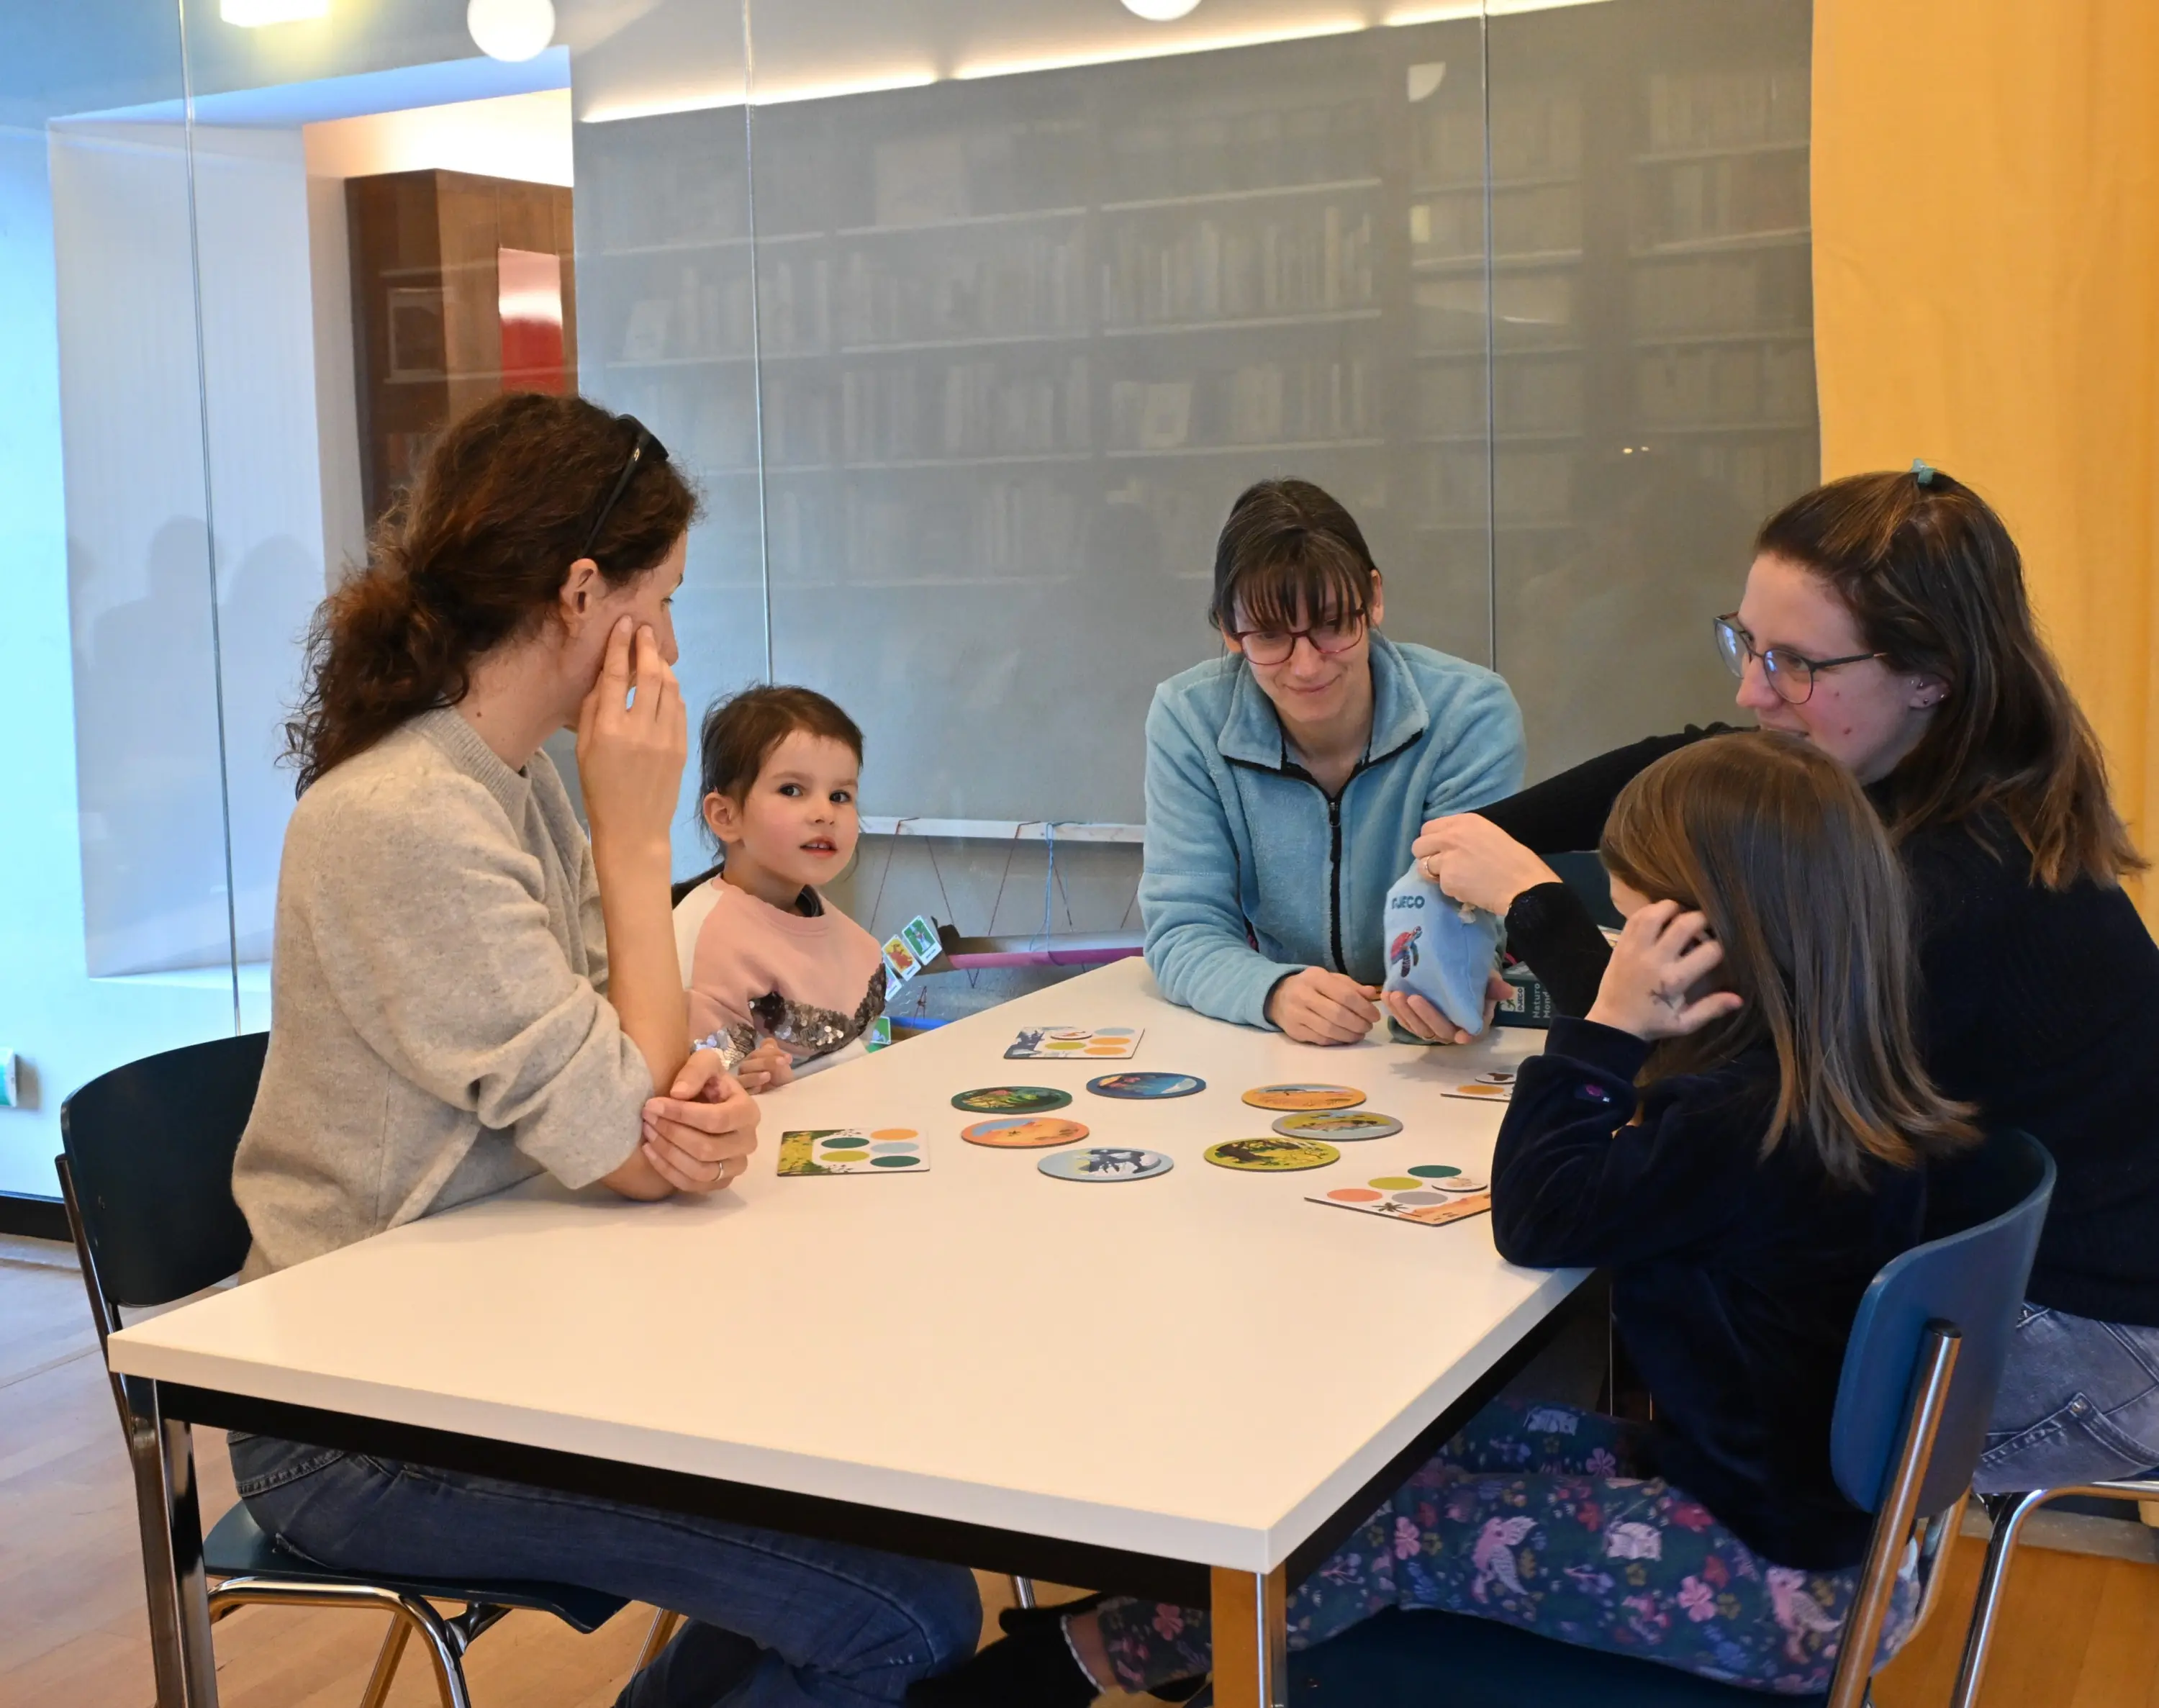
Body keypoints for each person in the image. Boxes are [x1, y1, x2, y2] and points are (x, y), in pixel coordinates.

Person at [918, 733, 1971, 1704]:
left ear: (1708, 937)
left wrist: (1600, 1026)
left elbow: (1538, 1213)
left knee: (1386, 1525)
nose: (1615, 935)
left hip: (1772, 1580)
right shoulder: (1826, 1074)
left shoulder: (1742, 1122)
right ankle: (1148, 1631)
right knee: (1397, 1456)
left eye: (1633, 915)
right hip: (1813, 1524)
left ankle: (1087, 1657)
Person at [227, 394, 979, 1708]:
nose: (675, 644)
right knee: (904, 1610)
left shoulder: (514, 782)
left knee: (895, 1547)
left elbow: (639, 1085)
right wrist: (638, 847)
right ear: (583, 592)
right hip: (363, 1424)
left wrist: (701, 1094)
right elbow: (629, 1143)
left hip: (511, 1332)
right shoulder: (409, 816)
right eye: (665, 599)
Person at [1416, 467, 2159, 1496]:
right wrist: (1500, 830)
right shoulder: (1908, 775)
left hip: (2088, 1339)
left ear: (1930, 675)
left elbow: (1696, 1056)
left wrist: (1536, 905)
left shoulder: (1950, 886)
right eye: (1747, 643)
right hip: (1997, 1278)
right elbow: (1700, 756)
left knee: (1637, 1311)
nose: (1752, 692)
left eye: (1797, 664)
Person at [1139, 479, 1525, 1047]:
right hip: (1279, 1043)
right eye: (1269, 636)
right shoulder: (1189, 718)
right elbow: (1183, 930)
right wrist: (1273, 991)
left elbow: (1470, 906)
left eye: (1331, 626)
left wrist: (1454, 983)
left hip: (1424, 1047)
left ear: (1372, 599)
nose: (1306, 666)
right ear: (1227, 629)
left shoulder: (1468, 713)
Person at [674, 685, 887, 1087]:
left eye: (840, 796)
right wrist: (743, 1079)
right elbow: (691, 1090)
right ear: (725, 815)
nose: (825, 813)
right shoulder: (702, 939)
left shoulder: (853, 939)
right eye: (792, 790)